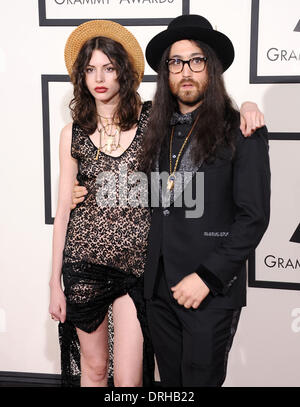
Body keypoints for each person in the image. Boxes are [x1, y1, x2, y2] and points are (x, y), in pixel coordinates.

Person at [139, 14, 270, 387]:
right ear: (166, 73)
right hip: (158, 291)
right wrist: (79, 188)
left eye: (196, 60)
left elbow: (254, 218)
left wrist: (208, 278)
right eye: (176, 62)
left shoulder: (242, 131)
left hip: (209, 293)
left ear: (211, 68)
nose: (186, 71)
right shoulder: (154, 130)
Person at [49, 19, 154, 387]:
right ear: (81, 76)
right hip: (83, 267)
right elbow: (63, 211)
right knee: (93, 372)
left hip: (134, 269)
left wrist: (247, 105)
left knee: (129, 380)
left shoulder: (150, 121)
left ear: (123, 73)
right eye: (91, 69)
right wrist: (53, 283)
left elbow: (200, 113)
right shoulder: (71, 133)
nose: (100, 77)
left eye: (109, 68)